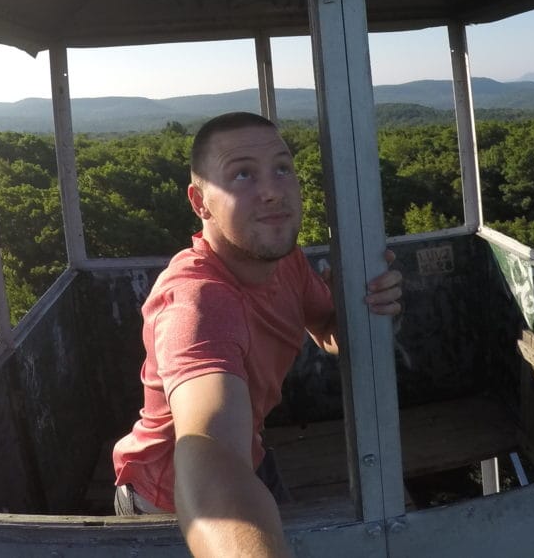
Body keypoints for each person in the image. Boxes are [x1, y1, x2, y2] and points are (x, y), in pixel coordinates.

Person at [111, 111, 403, 557]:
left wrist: (368, 311)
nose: (272, 191)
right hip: (169, 503)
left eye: (282, 169)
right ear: (199, 201)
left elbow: (326, 332)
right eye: (242, 174)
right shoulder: (198, 301)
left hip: (252, 459)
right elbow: (210, 458)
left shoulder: (285, 262)